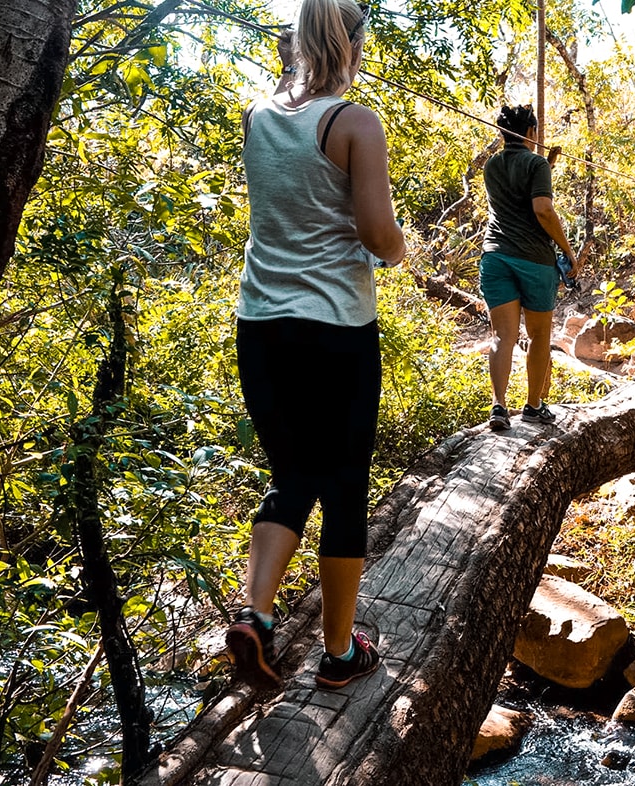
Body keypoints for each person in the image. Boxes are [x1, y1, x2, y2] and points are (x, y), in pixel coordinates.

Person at [225, 0, 406, 691]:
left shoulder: (257, 115)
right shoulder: (355, 122)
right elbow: (378, 235)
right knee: (344, 489)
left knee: (293, 475)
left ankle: (256, 615)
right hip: (335, 329)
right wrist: (398, 246)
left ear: (296, 40)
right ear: (353, 43)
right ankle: (339, 655)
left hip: (260, 326)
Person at [479, 105, 584, 431]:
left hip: (496, 257)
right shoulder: (535, 164)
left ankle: (499, 407)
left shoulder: (492, 165)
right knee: (539, 336)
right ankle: (534, 406)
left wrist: (547, 165)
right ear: (530, 132)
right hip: (534, 261)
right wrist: (568, 251)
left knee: (502, 336)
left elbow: (516, 194)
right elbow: (542, 210)